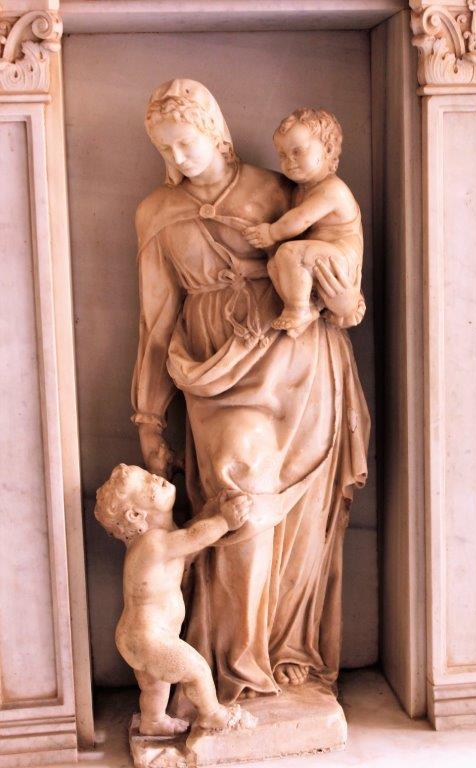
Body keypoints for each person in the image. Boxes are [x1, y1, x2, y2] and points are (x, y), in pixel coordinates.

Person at [131, 78, 370, 705]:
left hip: (301, 363)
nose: (177, 158)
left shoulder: (279, 188)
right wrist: (149, 420)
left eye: (186, 143)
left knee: (300, 517)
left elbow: (337, 265)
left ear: (216, 131)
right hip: (216, 369)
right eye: (165, 148)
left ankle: (286, 649)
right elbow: (155, 321)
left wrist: (346, 300)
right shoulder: (156, 211)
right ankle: (237, 666)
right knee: (242, 491)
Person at [94, 464, 255, 734]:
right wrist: (224, 521)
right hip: (149, 637)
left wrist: (210, 512)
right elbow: (193, 538)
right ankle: (212, 714)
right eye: (147, 482)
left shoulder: (158, 540)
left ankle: (153, 721)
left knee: (155, 686)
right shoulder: (154, 543)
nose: (156, 477)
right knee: (197, 670)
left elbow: (188, 536)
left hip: (136, 636)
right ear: (135, 514)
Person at [244, 108, 364, 337]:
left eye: (298, 152)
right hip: (320, 257)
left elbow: (300, 219)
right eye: (282, 155)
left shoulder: (332, 189)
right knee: (274, 265)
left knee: (289, 253)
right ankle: (306, 307)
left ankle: (298, 309)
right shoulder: (301, 190)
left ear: (328, 150)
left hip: (340, 261)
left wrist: (271, 232)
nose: (289, 161)